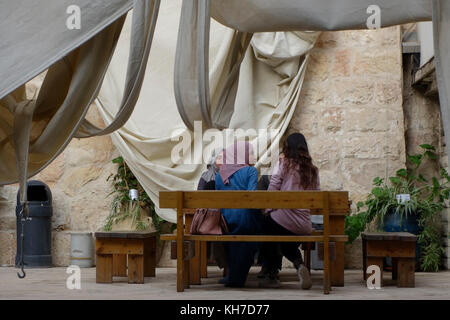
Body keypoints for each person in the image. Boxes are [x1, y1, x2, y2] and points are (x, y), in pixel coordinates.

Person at [259, 133, 320, 289]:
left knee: (266, 225)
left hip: (283, 220)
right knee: (287, 244)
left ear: (288, 148)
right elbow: (316, 196)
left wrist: (267, 210)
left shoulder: (283, 163)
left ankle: (270, 271)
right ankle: (299, 265)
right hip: (304, 225)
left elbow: (273, 187)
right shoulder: (313, 170)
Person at [215, 141, 262, 287]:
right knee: (259, 227)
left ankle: (233, 276)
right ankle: (238, 278)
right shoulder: (251, 171)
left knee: (234, 240)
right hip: (246, 219)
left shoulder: (220, 174)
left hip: (225, 220)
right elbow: (252, 197)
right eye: (251, 153)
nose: (253, 156)